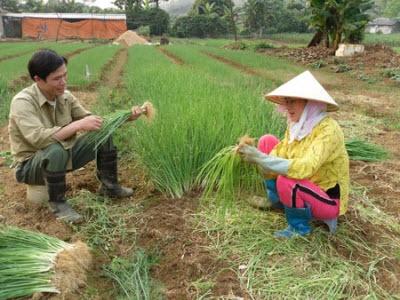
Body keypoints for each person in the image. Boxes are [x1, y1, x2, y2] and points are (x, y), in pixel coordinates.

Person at [8, 49, 143, 223]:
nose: (63, 82)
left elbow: (92, 120)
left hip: (63, 155)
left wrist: (126, 117)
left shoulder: (65, 97)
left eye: (65, 75)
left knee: (102, 134)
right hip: (31, 165)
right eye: (57, 79)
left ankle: (110, 186)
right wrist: (77, 125)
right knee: (55, 149)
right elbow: (39, 139)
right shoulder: (23, 102)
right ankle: (58, 204)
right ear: (38, 80)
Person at [238, 70, 349, 238]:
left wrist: (261, 158)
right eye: (287, 101)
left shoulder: (328, 130)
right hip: (305, 184)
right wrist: (259, 159)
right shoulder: (297, 125)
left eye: (293, 101)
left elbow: (306, 167)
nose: (288, 107)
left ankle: (299, 227)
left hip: (325, 197)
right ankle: (276, 200)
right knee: (267, 141)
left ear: (310, 103)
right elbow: (280, 151)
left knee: (287, 179)